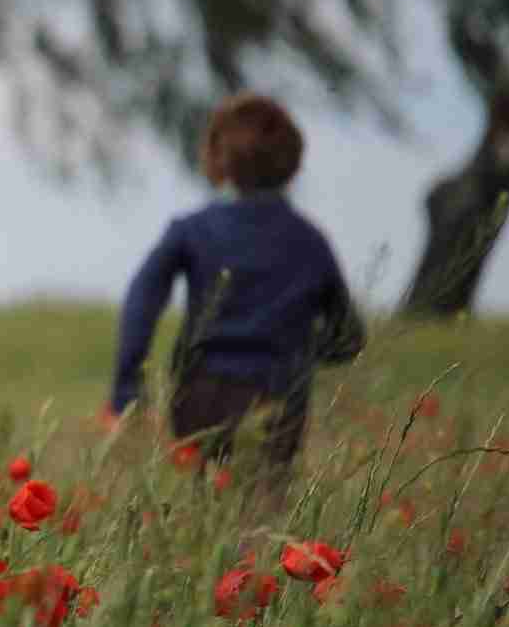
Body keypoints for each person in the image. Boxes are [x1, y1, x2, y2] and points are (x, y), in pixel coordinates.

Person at [107, 93, 365, 476]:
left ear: (217, 158)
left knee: (203, 508)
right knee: (263, 515)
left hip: (199, 396)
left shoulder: (191, 232)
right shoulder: (311, 243)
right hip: (278, 398)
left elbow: (141, 303)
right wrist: (298, 352)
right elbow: (348, 337)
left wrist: (127, 389)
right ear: (292, 163)